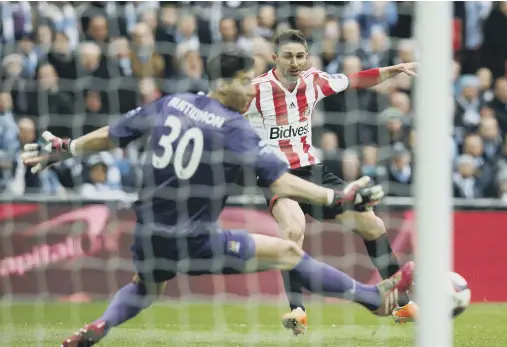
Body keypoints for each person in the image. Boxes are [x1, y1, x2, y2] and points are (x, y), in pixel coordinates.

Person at [20, 48, 415, 347]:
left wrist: (67, 148)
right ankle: (374, 299)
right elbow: (280, 182)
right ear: (222, 83)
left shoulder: (172, 103)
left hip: (147, 235)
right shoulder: (234, 129)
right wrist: (338, 197)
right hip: (197, 239)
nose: (251, 90)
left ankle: (101, 325)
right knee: (288, 252)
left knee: (145, 288)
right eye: (245, 82)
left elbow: (112, 134)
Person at [243, 29, 418, 333]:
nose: (295, 62)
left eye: (300, 56)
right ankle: (297, 311)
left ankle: (401, 303)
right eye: (288, 56)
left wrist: (391, 71)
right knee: (293, 231)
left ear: (306, 57)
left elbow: (356, 80)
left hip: (314, 171)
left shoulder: (314, 79)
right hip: (277, 177)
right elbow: (221, 110)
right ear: (275, 58)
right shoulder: (255, 90)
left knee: (373, 225)